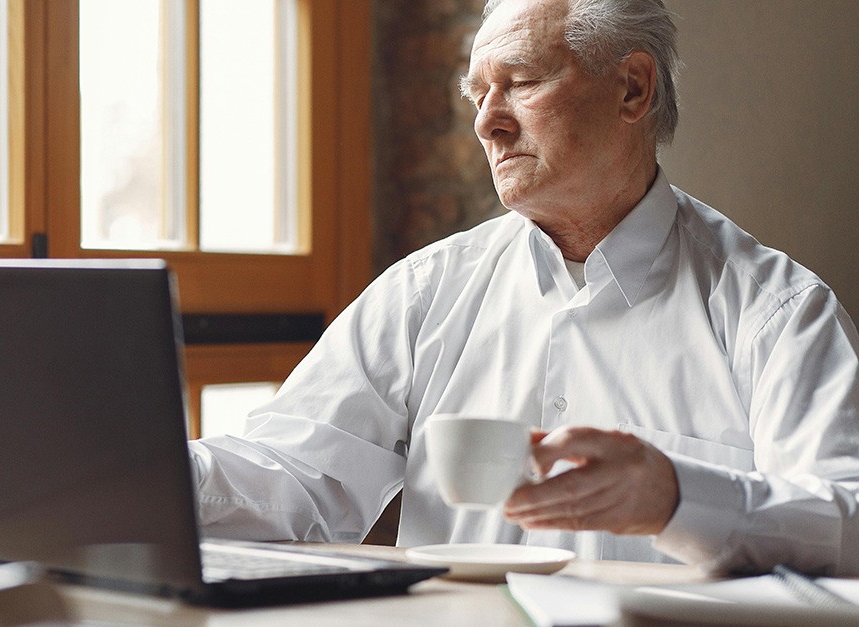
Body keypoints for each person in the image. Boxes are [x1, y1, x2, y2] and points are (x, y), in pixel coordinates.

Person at [189, 0, 859, 576]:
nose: (486, 121)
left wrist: (679, 497)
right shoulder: (423, 295)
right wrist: (138, 472)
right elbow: (290, 473)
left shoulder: (777, 312)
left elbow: (847, 523)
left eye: (519, 82)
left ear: (632, 88)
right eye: (477, 94)